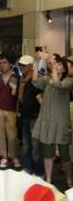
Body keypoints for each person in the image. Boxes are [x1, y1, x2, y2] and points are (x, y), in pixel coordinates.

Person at [32, 54, 73, 186]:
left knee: (65, 155)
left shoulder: (69, 81)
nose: (56, 65)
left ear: (64, 69)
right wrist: (37, 61)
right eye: (56, 64)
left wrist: (51, 64)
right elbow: (34, 80)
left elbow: (57, 84)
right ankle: (49, 179)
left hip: (61, 123)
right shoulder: (47, 79)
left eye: (59, 64)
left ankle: (69, 179)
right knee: (48, 154)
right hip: (47, 122)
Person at [0, 51, 20, 168]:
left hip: (11, 109)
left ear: (10, 64)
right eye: (0, 63)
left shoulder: (16, 77)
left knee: (12, 135)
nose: (1, 65)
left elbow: (17, 95)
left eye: (4, 62)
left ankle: (14, 156)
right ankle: (4, 156)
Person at [17, 55, 43, 176]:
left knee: (36, 146)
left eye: (24, 65)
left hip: (35, 116)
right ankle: (28, 168)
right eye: (20, 65)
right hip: (24, 115)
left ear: (31, 66)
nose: (21, 67)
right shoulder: (22, 78)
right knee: (26, 145)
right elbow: (20, 99)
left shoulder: (36, 79)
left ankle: (39, 171)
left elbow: (42, 97)